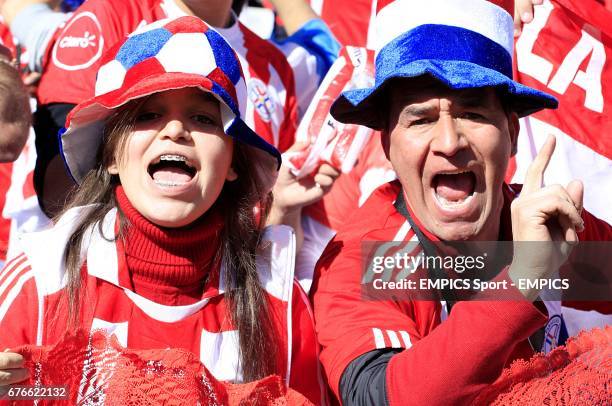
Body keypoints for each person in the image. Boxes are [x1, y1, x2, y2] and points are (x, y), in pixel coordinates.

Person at [0, 16, 323, 403]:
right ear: (111, 157)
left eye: (203, 118)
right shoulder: (39, 276)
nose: (175, 131)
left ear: (235, 161)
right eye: (148, 115)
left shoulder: (280, 296)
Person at [311, 0, 612, 404]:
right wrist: (521, 282)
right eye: (420, 119)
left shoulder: (545, 224)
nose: (450, 142)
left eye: (472, 113)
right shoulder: (366, 256)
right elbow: (380, 397)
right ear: (387, 144)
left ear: (512, 132)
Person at [2, 0, 339, 217]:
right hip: (97, 279)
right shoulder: (110, 15)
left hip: (226, 289)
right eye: (150, 114)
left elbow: (275, 206)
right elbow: (58, 189)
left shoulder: (276, 65)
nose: (175, 129)